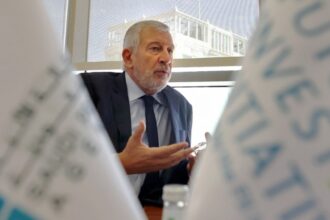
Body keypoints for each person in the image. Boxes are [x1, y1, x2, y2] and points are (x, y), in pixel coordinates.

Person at [81, 20, 195, 206]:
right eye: (156, 48)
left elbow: (174, 178)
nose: (166, 58)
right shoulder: (89, 90)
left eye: (170, 50)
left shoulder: (182, 106)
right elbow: (57, 160)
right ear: (128, 58)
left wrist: (193, 170)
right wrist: (120, 163)